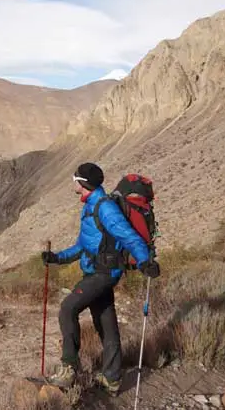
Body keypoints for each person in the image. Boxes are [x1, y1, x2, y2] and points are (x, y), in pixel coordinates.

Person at [41, 162, 160, 395]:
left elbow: (129, 236)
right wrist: (57, 258)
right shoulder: (91, 205)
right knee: (106, 325)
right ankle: (112, 379)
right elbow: (82, 245)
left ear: (82, 183)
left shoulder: (105, 208)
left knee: (68, 309)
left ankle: (69, 368)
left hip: (103, 274)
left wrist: (144, 260)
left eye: (75, 179)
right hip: (96, 271)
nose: (73, 182)